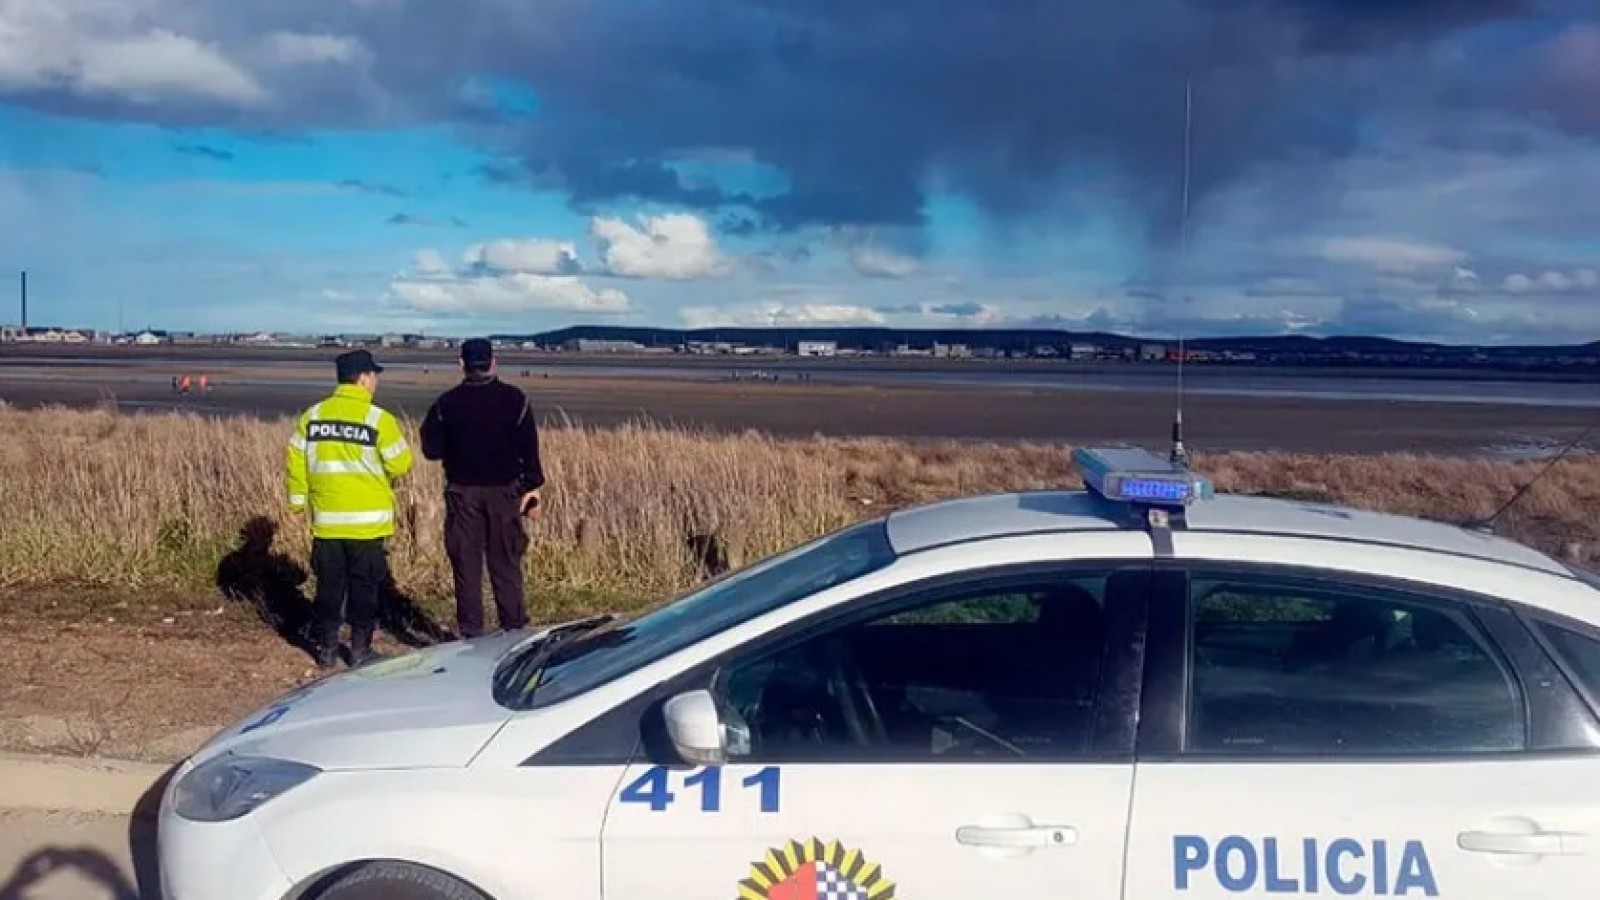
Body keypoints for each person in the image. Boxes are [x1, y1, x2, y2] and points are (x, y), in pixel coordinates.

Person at [284, 349, 414, 668]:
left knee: (329, 587)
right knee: (364, 589)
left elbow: (295, 460)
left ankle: (326, 648)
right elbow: (402, 462)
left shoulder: (313, 416)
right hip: (367, 524)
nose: (376, 381)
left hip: (327, 521)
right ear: (363, 378)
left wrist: (298, 501)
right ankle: (360, 650)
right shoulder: (377, 419)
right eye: (374, 375)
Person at [420, 338, 545, 639]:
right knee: (506, 565)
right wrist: (528, 487)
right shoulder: (516, 400)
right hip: (504, 493)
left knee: (467, 565)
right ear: (493, 362)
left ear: (461, 365)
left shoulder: (445, 404)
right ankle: (514, 631)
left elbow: (432, 450)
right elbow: (531, 456)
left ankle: (472, 635)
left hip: (463, 492)